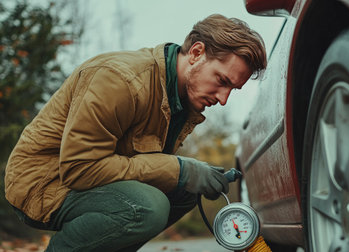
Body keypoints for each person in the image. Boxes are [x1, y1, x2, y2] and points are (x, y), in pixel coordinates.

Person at [4, 14, 267, 251]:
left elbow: (143, 162)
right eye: (222, 81)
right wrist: (180, 169)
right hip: (44, 182)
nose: (224, 99)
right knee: (148, 207)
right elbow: (79, 168)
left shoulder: (179, 100)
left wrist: (193, 173)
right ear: (197, 53)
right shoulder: (119, 80)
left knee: (187, 189)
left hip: (87, 181)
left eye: (233, 90)